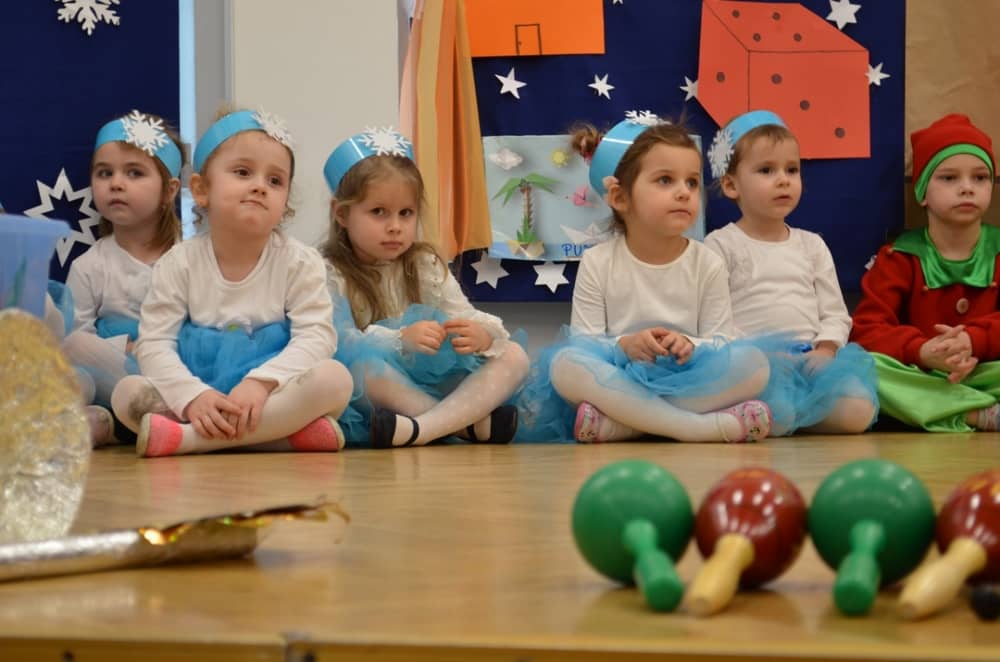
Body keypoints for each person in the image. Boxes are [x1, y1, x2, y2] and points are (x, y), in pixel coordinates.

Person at [111, 108, 352, 456]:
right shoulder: (178, 263)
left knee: (335, 379)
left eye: (275, 181)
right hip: (199, 386)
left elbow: (316, 336)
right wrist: (193, 396)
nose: (259, 186)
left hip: (270, 392)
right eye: (242, 172)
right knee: (126, 394)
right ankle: (279, 437)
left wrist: (261, 383)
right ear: (201, 190)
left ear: (285, 202)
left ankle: (188, 440)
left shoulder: (300, 262)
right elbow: (154, 342)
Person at [531, 112, 773, 443]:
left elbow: (721, 340)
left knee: (755, 364)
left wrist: (690, 345)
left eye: (691, 182)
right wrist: (625, 346)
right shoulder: (597, 262)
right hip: (621, 376)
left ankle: (626, 425)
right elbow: (585, 342)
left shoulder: (708, 263)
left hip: (689, 376)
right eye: (665, 180)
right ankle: (698, 428)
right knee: (566, 364)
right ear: (620, 198)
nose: (684, 192)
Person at [321, 127, 529, 448]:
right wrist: (400, 340)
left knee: (514, 355)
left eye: (406, 213)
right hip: (386, 391)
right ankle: (465, 426)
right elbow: (340, 341)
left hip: (433, 382)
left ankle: (422, 428)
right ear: (342, 214)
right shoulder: (330, 272)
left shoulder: (424, 263)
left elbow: (464, 314)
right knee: (359, 370)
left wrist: (483, 335)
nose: (395, 226)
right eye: (378, 212)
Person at [704, 109, 877, 435]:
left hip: (812, 363)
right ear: (731, 184)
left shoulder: (811, 245)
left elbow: (835, 313)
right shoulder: (720, 245)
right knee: (774, 405)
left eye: (792, 169)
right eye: (766, 170)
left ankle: (791, 416)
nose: (783, 179)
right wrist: (761, 356)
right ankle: (770, 413)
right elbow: (716, 319)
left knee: (859, 410)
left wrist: (826, 349)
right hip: (756, 363)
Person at [851, 113, 1000, 431]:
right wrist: (922, 350)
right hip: (920, 373)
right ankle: (975, 414)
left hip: (985, 370)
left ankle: (944, 410)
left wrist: (973, 341)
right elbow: (867, 329)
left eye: (980, 178)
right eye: (949, 178)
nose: (967, 188)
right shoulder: (899, 256)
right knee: (865, 368)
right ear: (921, 191)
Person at [63, 110, 186, 445]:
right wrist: (124, 348)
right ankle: (129, 421)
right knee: (73, 349)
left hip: (179, 372)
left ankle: (159, 418)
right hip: (116, 376)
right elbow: (77, 336)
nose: (116, 183)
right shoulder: (89, 266)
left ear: (169, 190)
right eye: (105, 173)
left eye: (134, 173)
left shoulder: (190, 259)